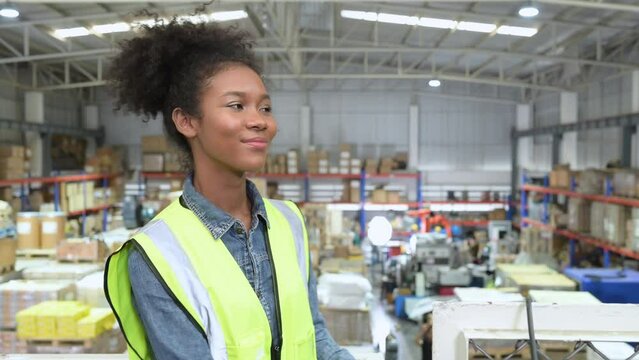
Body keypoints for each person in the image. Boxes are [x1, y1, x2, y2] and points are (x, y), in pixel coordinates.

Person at [104, 18, 354, 360]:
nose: (260, 120)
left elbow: (313, 334)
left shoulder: (290, 222)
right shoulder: (157, 254)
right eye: (237, 105)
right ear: (187, 121)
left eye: (265, 107)